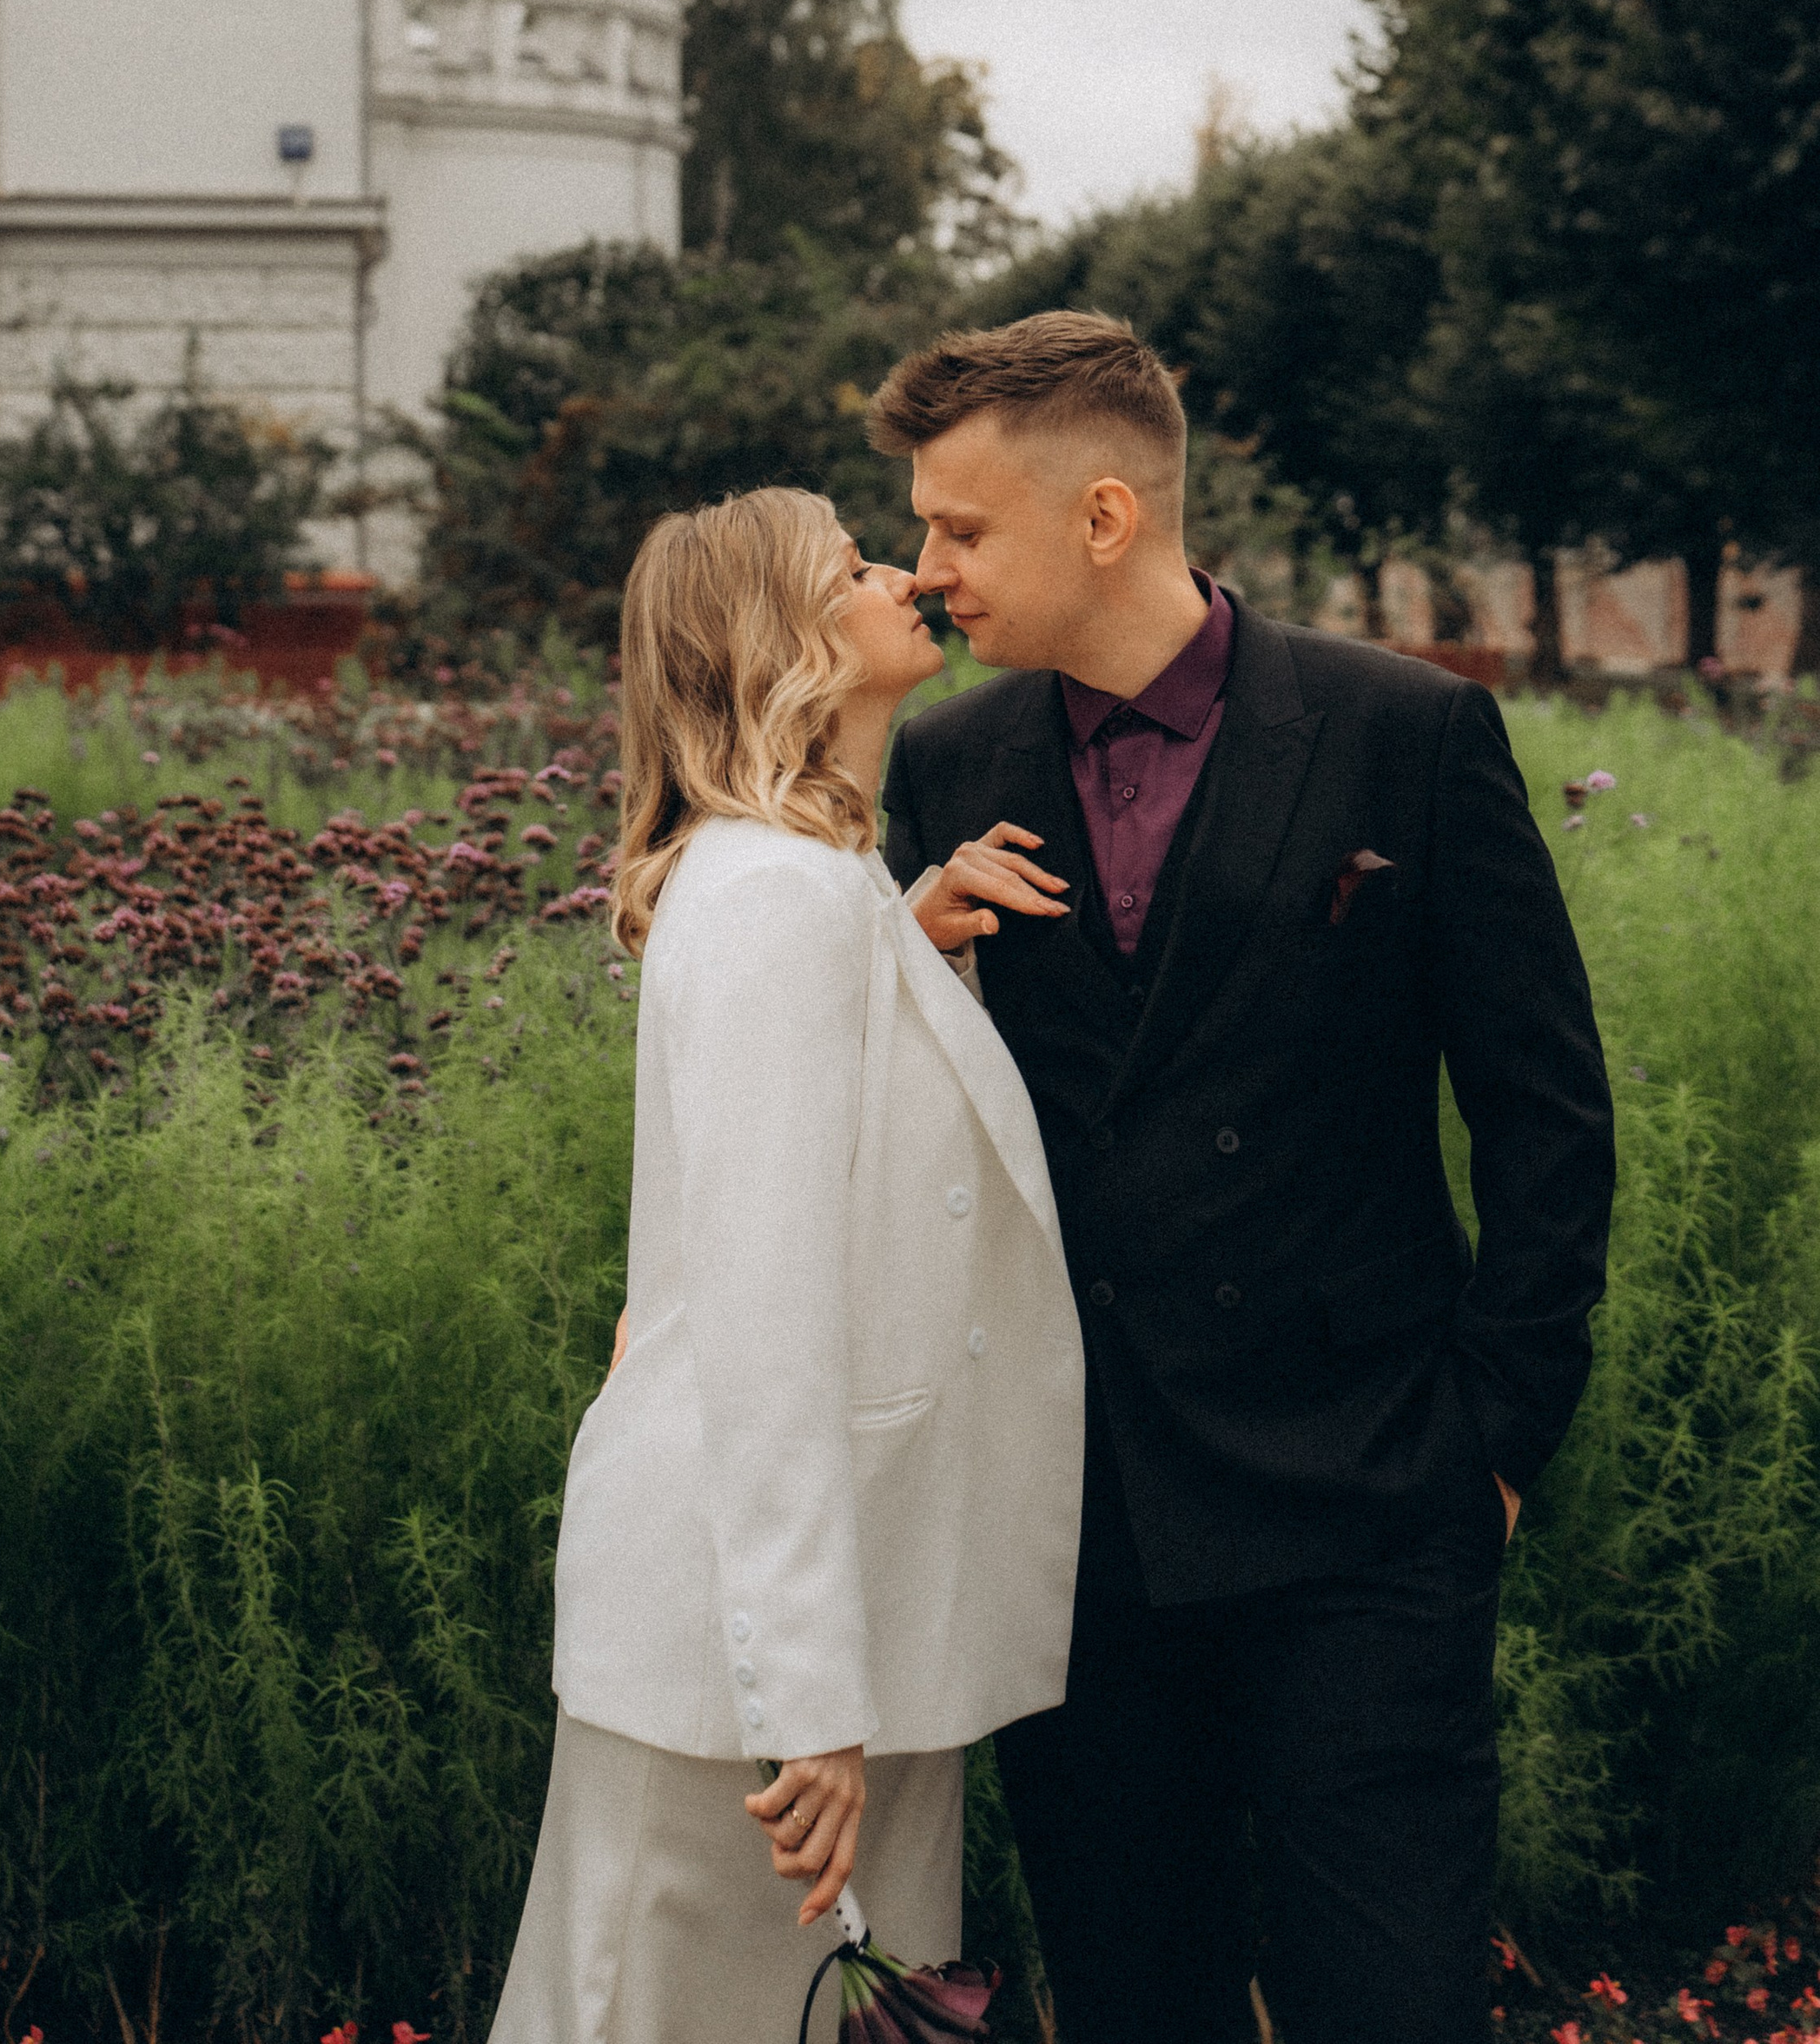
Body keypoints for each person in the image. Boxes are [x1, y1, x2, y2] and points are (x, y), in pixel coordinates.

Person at [871, 310, 1616, 2044]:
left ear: (1104, 516)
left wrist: (1492, 1449)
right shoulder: (944, 765)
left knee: (1391, 2005)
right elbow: (906, 1147)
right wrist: (907, 949)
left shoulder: (1404, 732)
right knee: (1139, 2006)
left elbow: (1545, 1113)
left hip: (1368, 1508)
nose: (924, 571)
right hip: (1081, 1529)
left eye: (959, 529)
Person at [491, 486, 1085, 2044]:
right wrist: (809, 1702)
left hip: (843, 1624)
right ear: (782, 640)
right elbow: (763, 1324)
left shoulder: (820, 886)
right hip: (755, 1675)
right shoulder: (772, 899)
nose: (903, 576)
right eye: (852, 564)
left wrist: (908, 940)